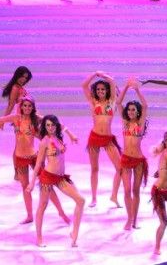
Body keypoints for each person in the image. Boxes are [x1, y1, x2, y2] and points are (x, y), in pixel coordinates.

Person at [0, 96, 76, 224]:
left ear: (33, 107)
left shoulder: (36, 118)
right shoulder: (16, 118)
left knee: (46, 185)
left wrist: (71, 135)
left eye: (29, 106)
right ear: (21, 106)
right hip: (20, 159)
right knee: (25, 187)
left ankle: (61, 212)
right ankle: (29, 215)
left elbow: (58, 124)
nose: (27, 108)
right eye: (24, 105)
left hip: (33, 157)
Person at [27, 115, 85, 247]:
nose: (50, 127)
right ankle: (39, 238)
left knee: (80, 201)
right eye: (47, 125)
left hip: (60, 177)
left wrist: (71, 136)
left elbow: (63, 127)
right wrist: (31, 183)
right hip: (47, 177)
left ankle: (74, 235)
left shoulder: (58, 137)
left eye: (52, 125)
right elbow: (38, 164)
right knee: (43, 206)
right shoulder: (45, 141)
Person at [82, 71, 122, 207]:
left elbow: (112, 82)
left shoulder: (112, 102)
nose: (100, 91)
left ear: (107, 90)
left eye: (102, 89)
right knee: (94, 169)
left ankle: (114, 196)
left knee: (120, 168)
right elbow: (84, 86)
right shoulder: (93, 102)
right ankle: (93, 198)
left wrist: (104, 76)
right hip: (94, 137)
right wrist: (94, 74)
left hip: (108, 138)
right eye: (98, 89)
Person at [115, 78, 148, 230]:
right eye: (129, 110)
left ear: (138, 111)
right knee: (127, 190)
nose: (131, 112)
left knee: (135, 191)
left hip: (139, 160)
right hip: (126, 159)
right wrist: (126, 86)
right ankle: (129, 218)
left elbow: (146, 105)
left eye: (134, 109)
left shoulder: (140, 123)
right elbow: (118, 103)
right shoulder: (125, 122)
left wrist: (136, 89)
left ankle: (135, 219)